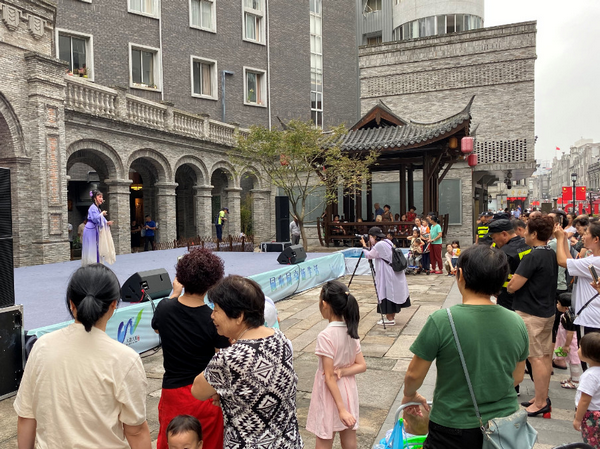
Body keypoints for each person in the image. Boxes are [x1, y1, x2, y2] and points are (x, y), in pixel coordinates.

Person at [401, 245, 529, 448]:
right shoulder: (517, 321)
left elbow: (414, 375)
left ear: (460, 274)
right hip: (504, 425)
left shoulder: (442, 320)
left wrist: (410, 394)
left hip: (452, 424)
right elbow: (518, 376)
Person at [14, 264, 151, 449]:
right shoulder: (125, 359)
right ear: (113, 305)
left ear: (71, 304)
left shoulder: (42, 347)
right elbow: (136, 431)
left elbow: (26, 417)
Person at [191, 276, 303, 448]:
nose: (212, 316)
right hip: (288, 443)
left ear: (239, 316)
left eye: (216, 310)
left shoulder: (229, 358)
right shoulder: (280, 338)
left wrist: (221, 389)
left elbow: (197, 390)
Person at [152, 248, 231, 449]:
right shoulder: (213, 319)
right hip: (205, 392)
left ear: (181, 277)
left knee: (172, 441)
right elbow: (223, 355)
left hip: (173, 393)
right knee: (208, 442)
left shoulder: (164, 308)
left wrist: (175, 293)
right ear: (212, 284)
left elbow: (157, 327)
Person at [306, 281, 367, 449]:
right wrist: (344, 371)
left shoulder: (326, 336)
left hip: (329, 394)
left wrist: (341, 409)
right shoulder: (351, 331)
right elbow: (362, 365)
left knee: (324, 439)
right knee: (349, 440)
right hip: (348, 391)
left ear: (325, 304)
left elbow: (329, 376)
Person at [507, 215, 558, 417]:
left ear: (535, 234)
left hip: (531, 313)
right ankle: (541, 397)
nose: (524, 234)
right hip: (546, 311)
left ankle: (541, 402)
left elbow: (513, 285)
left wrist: (509, 285)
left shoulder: (532, 256)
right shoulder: (550, 253)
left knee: (535, 358)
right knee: (544, 356)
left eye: (527, 231)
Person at [554, 219, 600, 370]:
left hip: (590, 319)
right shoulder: (592, 259)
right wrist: (564, 240)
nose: (582, 237)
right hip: (592, 317)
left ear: (596, 239)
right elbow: (570, 262)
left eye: (586, 233)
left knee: (589, 361)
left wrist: (559, 239)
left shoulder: (595, 262)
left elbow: (562, 261)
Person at [360, 226, 410, 326]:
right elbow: (377, 253)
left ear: (374, 236)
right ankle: (391, 317)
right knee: (392, 294)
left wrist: (364, 245)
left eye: (370, 237)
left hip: (387, 274)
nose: (370, 239)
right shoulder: (387, 242)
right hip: (393, 272)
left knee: (387, 294)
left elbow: (369, 255)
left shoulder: (380, 245)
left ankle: (390, 319)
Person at [488, 219, 531, 311]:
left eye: (494, 237)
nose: (493, 241)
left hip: (508, 298)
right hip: (528, 295)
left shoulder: (504, 253)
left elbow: (497, 276)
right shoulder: (527, 244)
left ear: (504, 234)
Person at [573, 333, 600, 447]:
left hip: (592, 416)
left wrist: (578, 419)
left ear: (589, 354)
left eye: (580, 347)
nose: (578, 350)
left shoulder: (589, 375)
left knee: (591, 443)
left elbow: (585, 400)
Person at [553, 292, 582, 389]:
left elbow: (570, 333)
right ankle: (572, 377)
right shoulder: (566, 315)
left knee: (574, 362)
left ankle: (575, 381)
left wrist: (566, 345)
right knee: (570, 361)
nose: (557, 305)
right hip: (567, 342)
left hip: (571, 344)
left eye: (558, 303)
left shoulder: (569, 317)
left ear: (566, 308)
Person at [81, 190, 114, 266]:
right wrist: (101, 214)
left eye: (102, 197)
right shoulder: (92, 207)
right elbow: (95, 218)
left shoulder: (97, 208)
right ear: (95, 198)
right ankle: (91, 264)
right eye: (99, 197)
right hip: (90, 229)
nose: (101, 199)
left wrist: (106, 222)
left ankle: (96, 263)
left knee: (96, 247)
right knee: (91, 247)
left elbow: (101, 218)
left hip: (94, 229)